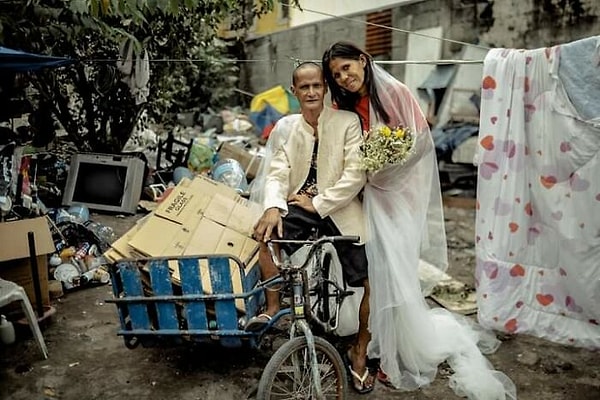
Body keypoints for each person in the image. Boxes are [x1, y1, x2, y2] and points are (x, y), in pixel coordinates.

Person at [322, 42, 517, 399]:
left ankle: (393, 352)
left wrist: (386, 170)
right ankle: (373, 338)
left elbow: (421, 142)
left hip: (399, 197)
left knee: (397, 273)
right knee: (374, 272)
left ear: (363, 60)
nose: (344, 78)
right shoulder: (342, 106)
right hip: (363, 198)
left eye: (347, 68)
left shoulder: (395, 93)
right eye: (336, 75)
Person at [247, 62, 376, 394]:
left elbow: (355, 174)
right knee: (266, 233)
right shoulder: (287, 127)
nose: (311, 92)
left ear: (325, 88)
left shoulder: (347, 122)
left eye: (317, 85)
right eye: (304, 87)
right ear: (295, 92)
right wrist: (273, 207)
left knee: (370, 279)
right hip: (299, 203)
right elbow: (277, 171)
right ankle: (273, 308)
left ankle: (360, 350)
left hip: (339, 207)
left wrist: (318, 202)